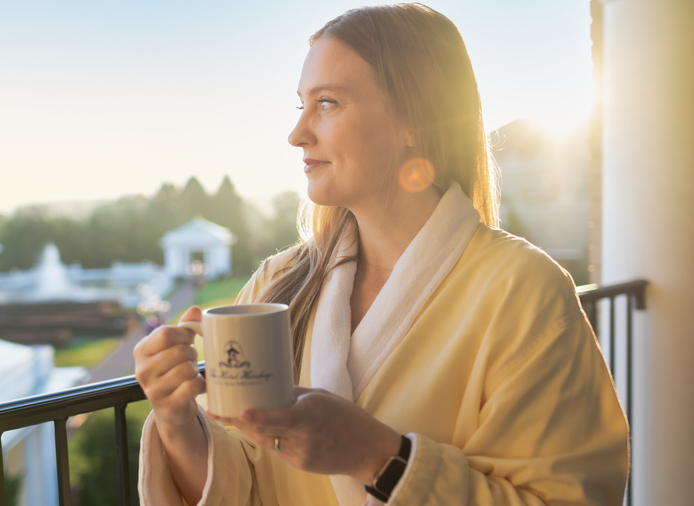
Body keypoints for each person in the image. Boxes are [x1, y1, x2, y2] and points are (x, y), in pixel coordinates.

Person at [133, 4, 629, 505]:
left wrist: (378, 458)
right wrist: (176, 421)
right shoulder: (277, 284)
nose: (297, 133)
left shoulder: (521, 291)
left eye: (327, 103)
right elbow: (242, 488)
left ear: (416, 118)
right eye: (300, 105)